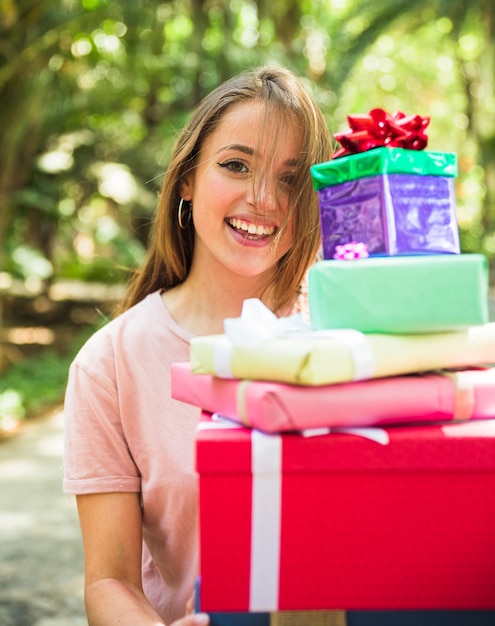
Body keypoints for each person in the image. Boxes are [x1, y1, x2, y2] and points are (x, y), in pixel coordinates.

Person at [63, 65, 332, 626]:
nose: (263, 199)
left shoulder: (350, 330)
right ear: (187, 180)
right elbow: (109, 582)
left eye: (290, 178)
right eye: (236, 165)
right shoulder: (109, 364)